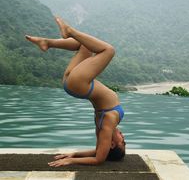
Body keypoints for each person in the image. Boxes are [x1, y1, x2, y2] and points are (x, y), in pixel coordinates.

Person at [25, 17, 125, 167]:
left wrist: (71, 160)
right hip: (73, 83)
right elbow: (97, 151)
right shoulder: (104, 133)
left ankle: (69, 30)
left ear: (111, 144)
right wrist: (74, 154)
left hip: (80, 84)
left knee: (108, 50)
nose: (123, 136)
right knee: (85, 45)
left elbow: (99, 159)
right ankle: (47, 42)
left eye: (122, 141)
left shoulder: (107, 126)